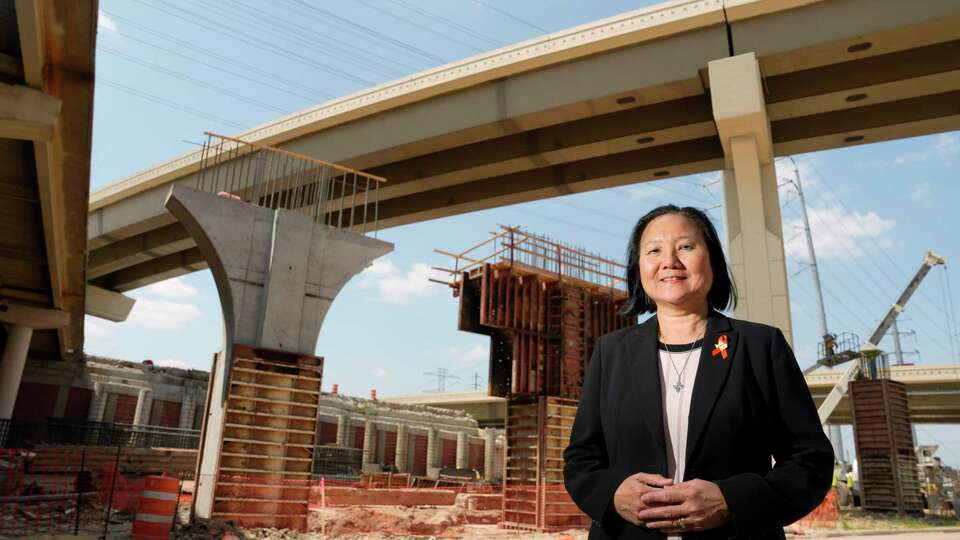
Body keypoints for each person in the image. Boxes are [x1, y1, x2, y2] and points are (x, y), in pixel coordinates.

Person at [563, 205, 833, 539]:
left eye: (686, 247)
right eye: (654, 250)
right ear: (639, 267)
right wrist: (613, 494)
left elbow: (811, 461)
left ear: (712, 260)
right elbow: (581, 460)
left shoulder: (761, 346)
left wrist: (731, 501)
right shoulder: (610, 353)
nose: (670, 261)